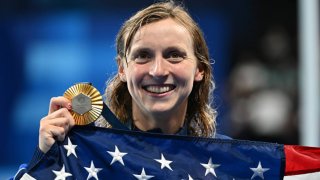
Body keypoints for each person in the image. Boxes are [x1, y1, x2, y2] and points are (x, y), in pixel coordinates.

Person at [13, 1, 229, 179]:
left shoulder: (228, 162)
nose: (158, 70)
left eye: (174, 55)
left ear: (199, 69)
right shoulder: (82, 157)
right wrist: (44, 159)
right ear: (122, 69)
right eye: (143, 55)